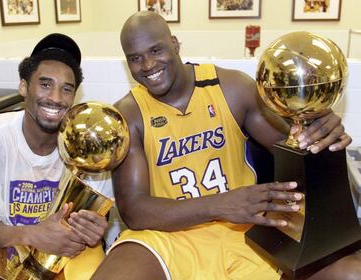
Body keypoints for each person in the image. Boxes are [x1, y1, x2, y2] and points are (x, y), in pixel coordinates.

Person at [91, 11, 361, 280]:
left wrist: (318, 128)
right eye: (135, 58)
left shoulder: (232, 88)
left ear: (175, 43)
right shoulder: (128, 114)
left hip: (243, 230)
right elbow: (135, 211)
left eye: (156, 50)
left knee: (351, 273)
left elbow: (294, 150)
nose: (148, 65)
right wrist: (219, 204)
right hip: (167, 237)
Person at [0, 33, 112, 280]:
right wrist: (33, 234)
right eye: (45, 84)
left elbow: (96, 222)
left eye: (66, 89)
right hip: (8, 244)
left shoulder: (88, 145)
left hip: (74, 249)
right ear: (24, 87)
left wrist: (96, 230)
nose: (56, 98)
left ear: (74, 97)